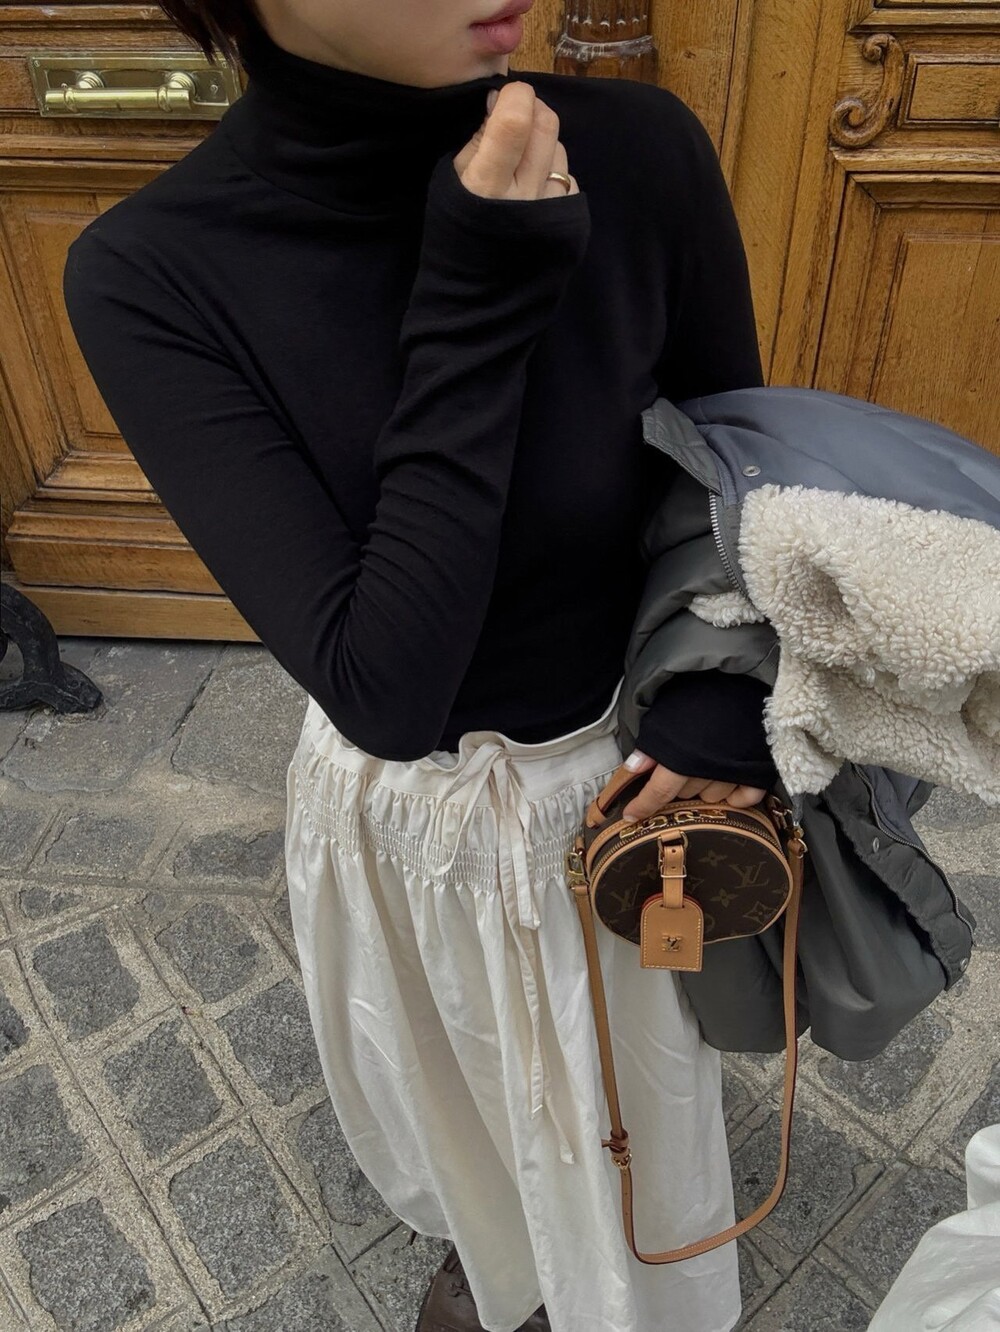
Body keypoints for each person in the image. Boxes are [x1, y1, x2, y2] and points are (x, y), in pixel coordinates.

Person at [61, 1, 781, 1327]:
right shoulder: (154, 270)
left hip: (619, 792)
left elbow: (736, 471)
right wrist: (478, 296)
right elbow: (389, 686)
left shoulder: (637, 149)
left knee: (640, 1133)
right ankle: (501, 1253)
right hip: (409, 813)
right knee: (455, 1106)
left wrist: (724, 698)